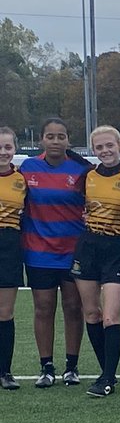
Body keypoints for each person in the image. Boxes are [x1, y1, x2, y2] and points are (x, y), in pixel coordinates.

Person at [70, 126, 120, 397]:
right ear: (93, 150)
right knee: (92, 313)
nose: (105, 151)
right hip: (88, 247)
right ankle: (105, 372)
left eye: (109, 145)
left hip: (116, 249)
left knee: (111, 316)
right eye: (99, 147)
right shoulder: (87, 175)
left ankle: (108, 379)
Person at [21, 117, 89, 388]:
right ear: (42, 140)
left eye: (61, 136)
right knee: (44, 308)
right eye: (50, 136)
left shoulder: (82, 170)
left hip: (73, 251)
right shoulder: (28, 168)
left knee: (74, 308)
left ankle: (72, 367)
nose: (56, 141)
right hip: (38, 251)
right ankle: (46, 367)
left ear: (68, 140)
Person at [0, 126, 27, 389]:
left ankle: (5, 371)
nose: (3, 152)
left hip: (9, 246)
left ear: (14, 148)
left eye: (7, 147)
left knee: (5, 313)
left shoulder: (22, 179)